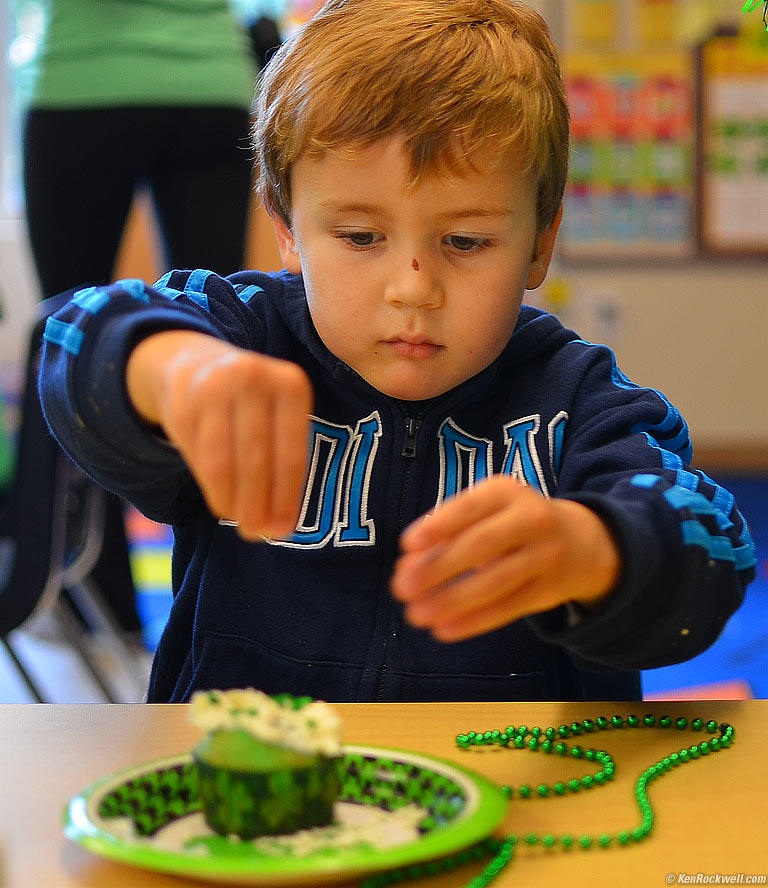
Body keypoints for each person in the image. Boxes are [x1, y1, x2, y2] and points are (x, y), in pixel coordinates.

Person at [38, 0, 755, 704]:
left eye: (465, 242)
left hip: (526, 804)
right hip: (252, 808)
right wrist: (169, 368)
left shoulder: (578, 396)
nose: (413, 289)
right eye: (359, 237)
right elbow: (72, 336)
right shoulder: (243, 333)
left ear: (540, 243)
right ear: (289, 228)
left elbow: (718, 551)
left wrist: (596, 549)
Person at [22, 0, 257, 635]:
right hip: (209, 80)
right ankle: (229, 604)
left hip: (83, 79)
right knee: (220, 330)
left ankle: (100, 608)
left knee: (73, 344)